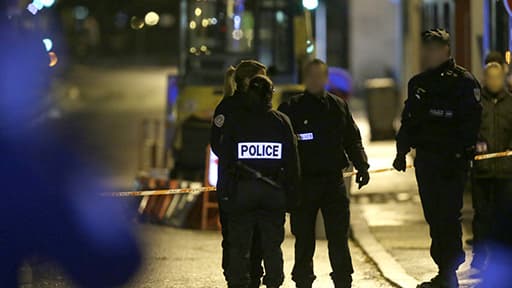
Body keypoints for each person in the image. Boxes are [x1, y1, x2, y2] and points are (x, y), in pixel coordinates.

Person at [393, 29, 482, 288]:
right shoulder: (419, 83)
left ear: (445, 50)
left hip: (451, 161)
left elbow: (472, 120)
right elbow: (410, 120)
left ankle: (449, 270)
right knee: (433, 215)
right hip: (427, 160)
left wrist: (464, 150)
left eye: (433, 48)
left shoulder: (463, 81)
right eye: (426, 48)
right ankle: (443, 269)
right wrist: (401, 150)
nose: (428, 54)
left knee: (448, 216)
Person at [278, 59, 370, 288]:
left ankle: (342, 279)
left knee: (338, 236)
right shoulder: (292, 108)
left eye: (320, 76)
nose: (316, 80)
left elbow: (352, 138)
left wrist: (362, 165)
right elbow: (282, 146)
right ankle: (303, 280)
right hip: (304, 183)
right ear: (305, 78)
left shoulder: (337, 106)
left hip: (332, 182)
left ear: (326, 78)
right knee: (304, 238)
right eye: (312, 76)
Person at [217, 75, 300, 288]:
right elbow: (292, 163)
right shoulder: (281, 121)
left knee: (239, 249)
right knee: (272, 248)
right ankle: (273, 283)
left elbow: (225, 160)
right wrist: (292, 196)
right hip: (273, 194)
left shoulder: (236, 120)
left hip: (243, 193)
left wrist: (225, 194)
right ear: (270, 94)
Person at [210, 60, 267, 287]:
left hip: (259, 187)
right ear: (245, 81)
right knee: (234, 239)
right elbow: (217, 145)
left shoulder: (266, 109)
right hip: (233, 186)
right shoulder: (227, 108)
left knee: (258, 240)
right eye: (260, 79)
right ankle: (235, 279)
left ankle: (252, 278)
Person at [470, 62, 512, 273]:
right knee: (482, 214)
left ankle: (502, 256)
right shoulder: (476, 104)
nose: (494, 81)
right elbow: (468, 132)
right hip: (482, 170)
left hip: (506, 172)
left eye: (498, 77)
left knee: (504, 213)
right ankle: (480, 254)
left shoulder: (510, 104)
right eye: (490, 77)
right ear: (485, 79)